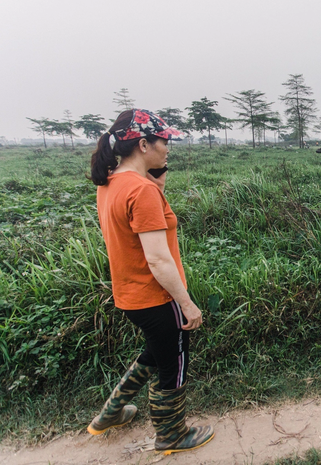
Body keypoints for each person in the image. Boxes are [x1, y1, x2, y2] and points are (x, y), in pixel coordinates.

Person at [86, 109, 214, 454]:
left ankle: (110, 413)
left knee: (155, 353)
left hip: (129, 295)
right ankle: (172, 434)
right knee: (173, 365)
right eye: (164, 140)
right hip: (157, 297)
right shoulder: (141, 191)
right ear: (144, 144)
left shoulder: (110, 182)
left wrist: (154, 184)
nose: (168, 146)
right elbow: (157, 258)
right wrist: (186, 303)